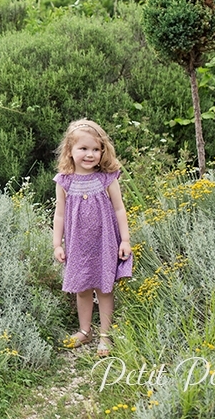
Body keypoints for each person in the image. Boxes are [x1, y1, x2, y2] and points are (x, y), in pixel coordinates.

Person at [52, 119, 132, 357]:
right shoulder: (64, 181)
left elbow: (119, 209)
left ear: (103, 151)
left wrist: (125, 240)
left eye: (96, 149)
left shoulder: (107, 178)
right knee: (83, 288)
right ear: (70, 151)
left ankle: (105, 336)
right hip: (78, 245)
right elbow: (59, 214)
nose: (90, 154)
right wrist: (57, 243)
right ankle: (85, 331)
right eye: (83, 149)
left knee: (104, 288)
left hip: (105, 242)